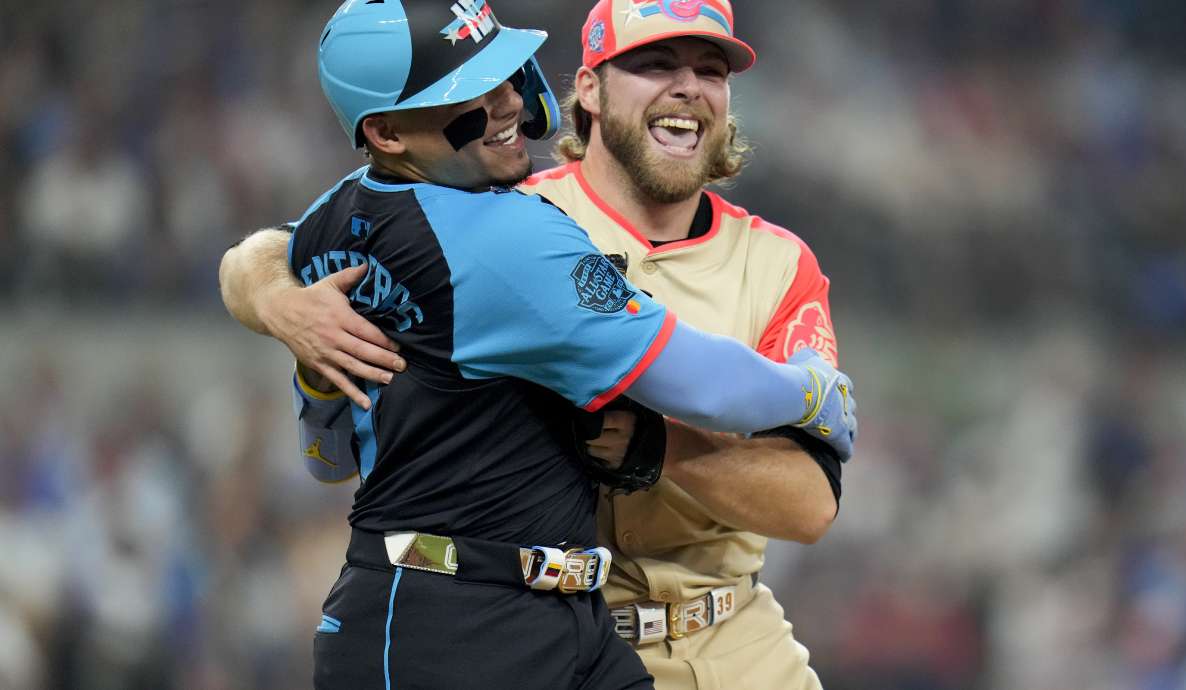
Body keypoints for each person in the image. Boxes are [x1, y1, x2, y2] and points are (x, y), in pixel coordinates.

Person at [218, 1, 858, 689]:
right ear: (587, 86)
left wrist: (656, 449)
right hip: (522, 615)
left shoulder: (780, 264)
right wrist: (275, 298)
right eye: (653, 63)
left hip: (724, 638)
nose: (687, 87)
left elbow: (811, 503)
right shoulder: (500, 209)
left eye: (712, 68)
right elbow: (273, 252)